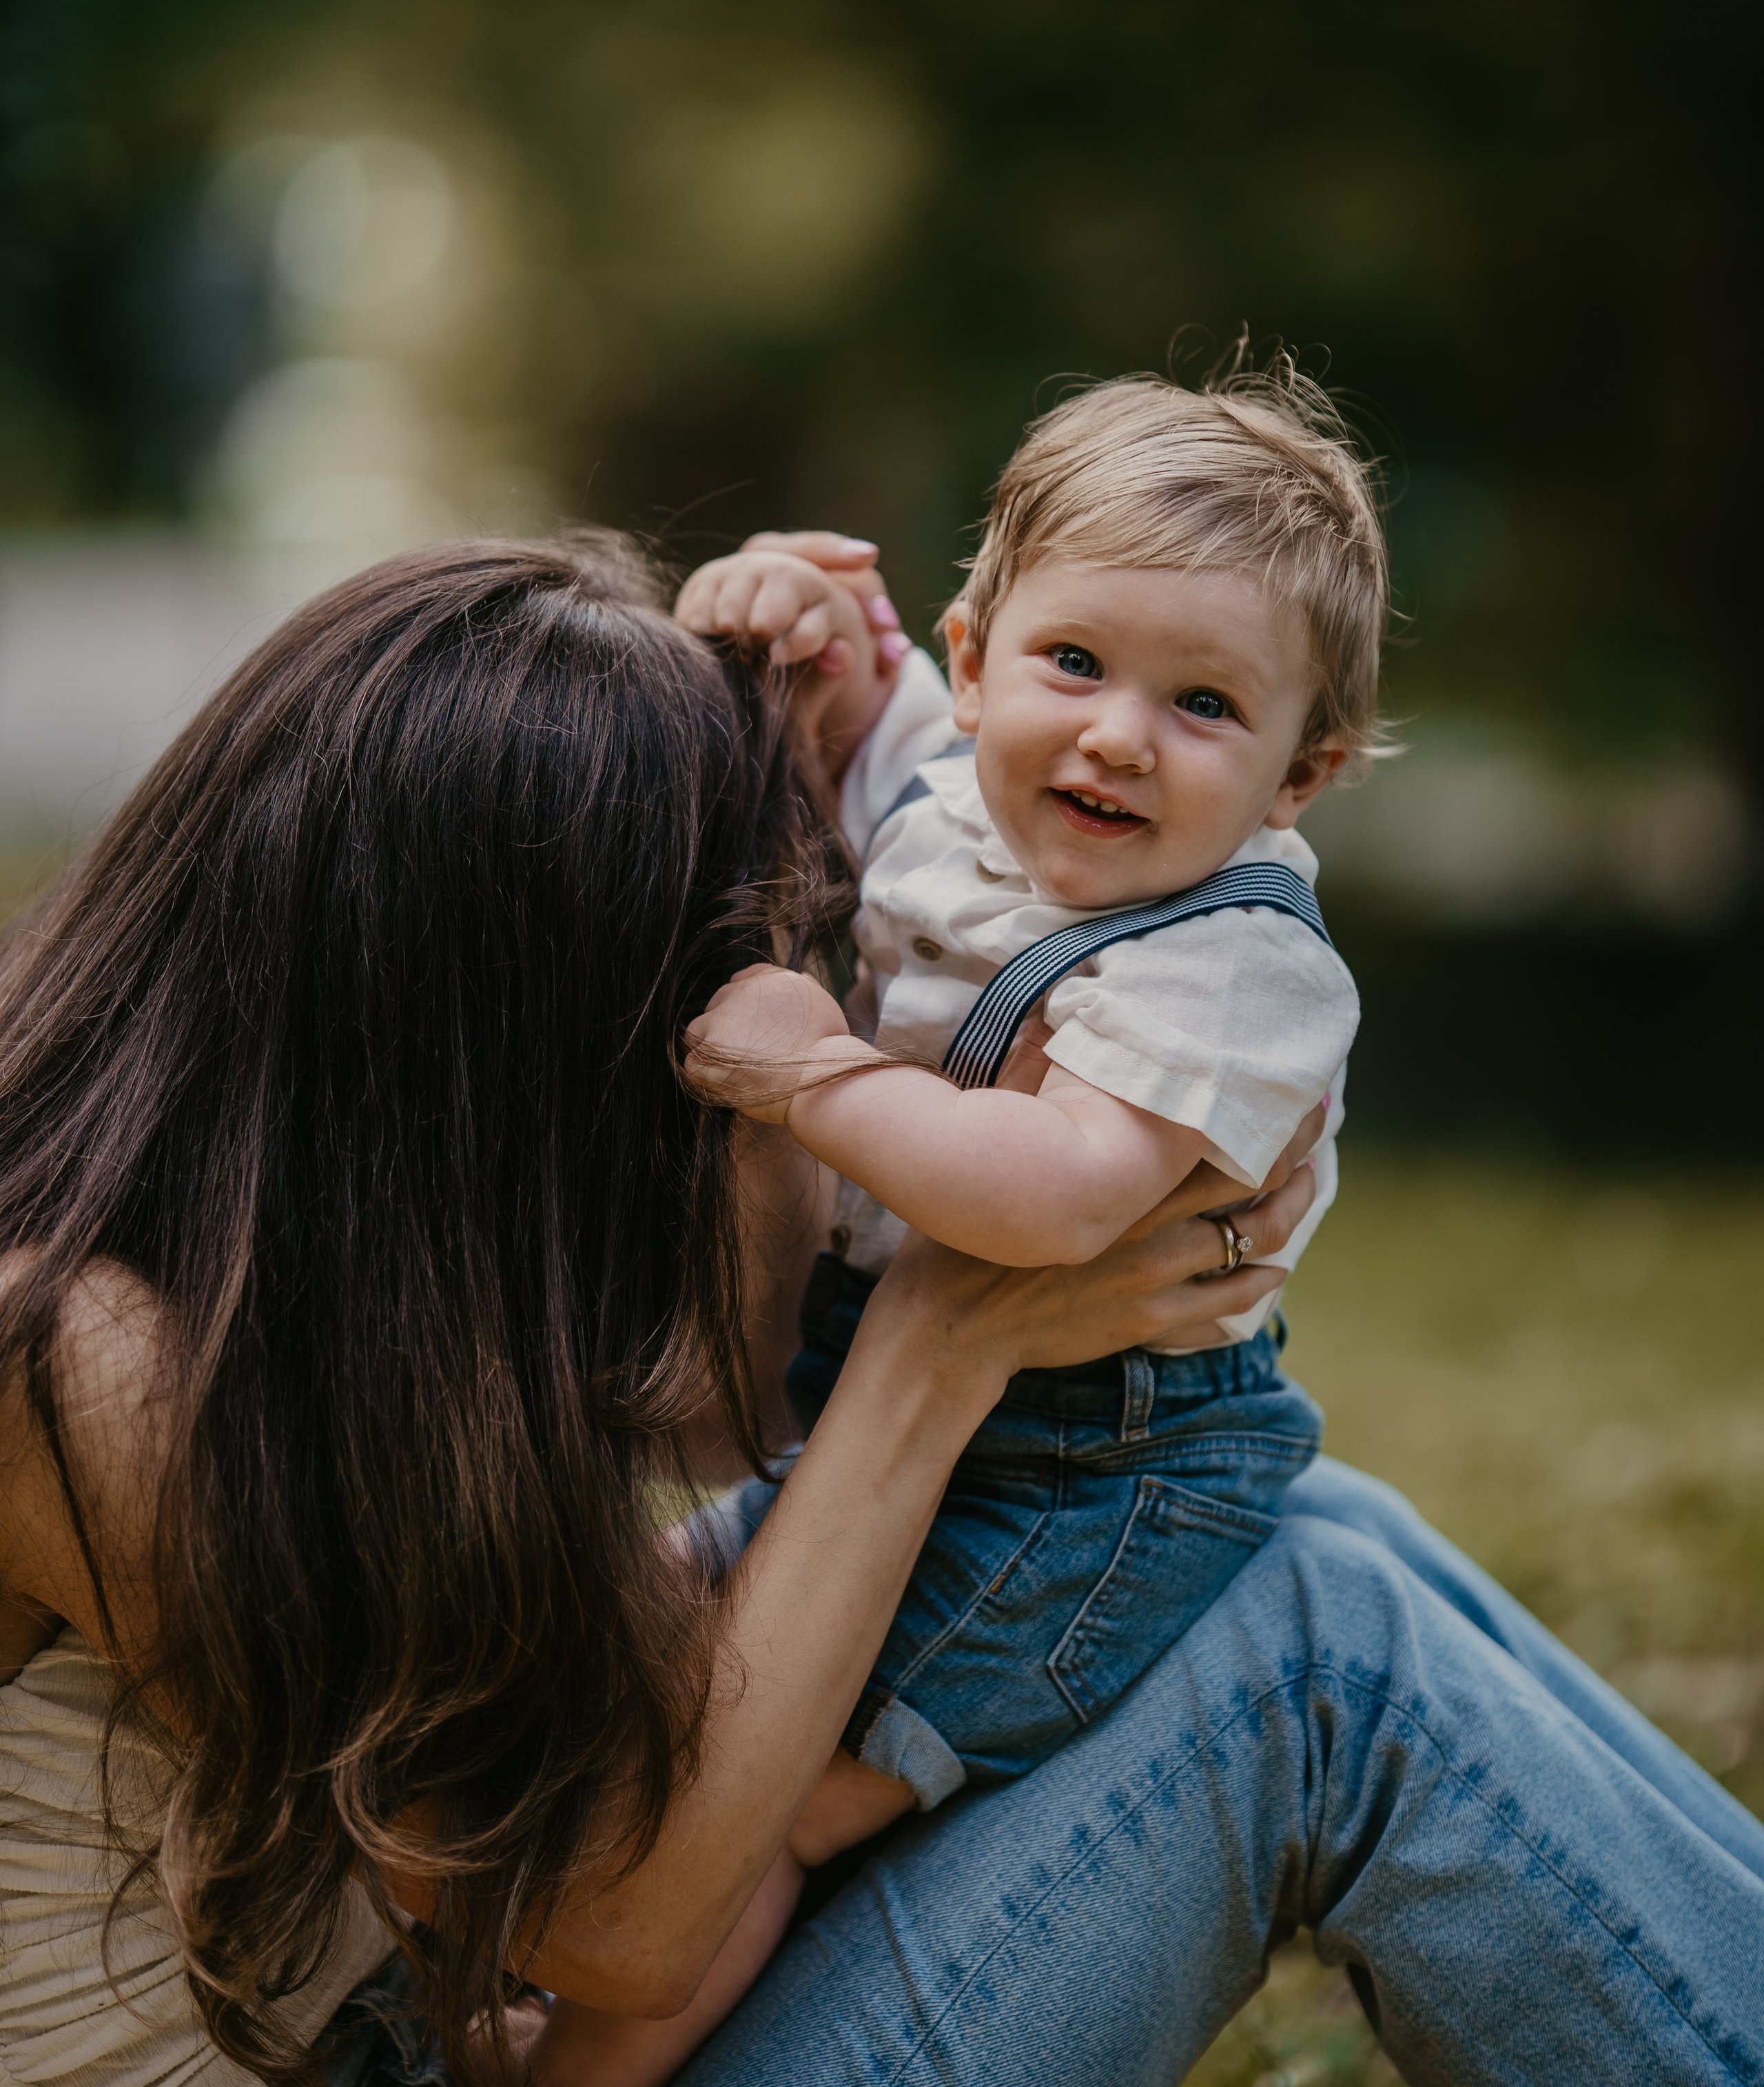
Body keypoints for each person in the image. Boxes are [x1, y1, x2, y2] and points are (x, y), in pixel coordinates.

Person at [2, 535, 1760, 2087]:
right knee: (1310, 1649)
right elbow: (626, 1921)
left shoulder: (287, 1270)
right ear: (528, 1059)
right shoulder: (86, 1354)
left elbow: (688, 1493)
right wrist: (946, 1329)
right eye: (796, 965)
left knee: (1293, 1529)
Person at [674, 376, 1375, 1837]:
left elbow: (1050, 1195)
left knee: (777, 1797)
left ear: (1294, 775)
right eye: (1073, 661)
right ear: (973, 663)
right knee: (671, 1659)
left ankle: (592, 2052)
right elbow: (846, 703)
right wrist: (786, 597)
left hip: (1085, 1479)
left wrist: (812, 1073)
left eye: (1201, 704)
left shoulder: (1230, 959)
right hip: (882, 1400)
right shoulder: (956, 789)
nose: (1117, 735)